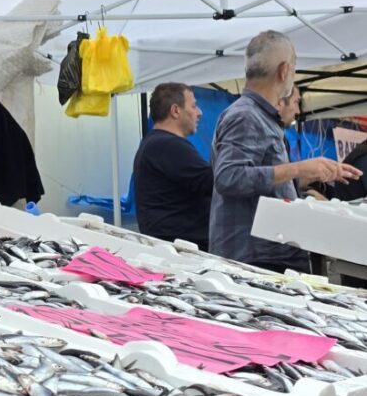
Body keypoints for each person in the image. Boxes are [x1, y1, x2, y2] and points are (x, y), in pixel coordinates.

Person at [209, 31, 361, 272]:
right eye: (294, 67)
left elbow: (263, 181)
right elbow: (229, 177)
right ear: (283, 71)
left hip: (265, 253)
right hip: (255, 257)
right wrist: (297, 168)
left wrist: (312, 172)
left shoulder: (258, 116)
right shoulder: (245, 116)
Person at [133, 83, 213, 251]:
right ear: (175, 110)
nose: (199, 112)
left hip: (172, 246)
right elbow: (216, 183)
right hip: (183, 251)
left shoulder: (154, 144)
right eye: (193, 106)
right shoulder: (168, 145)